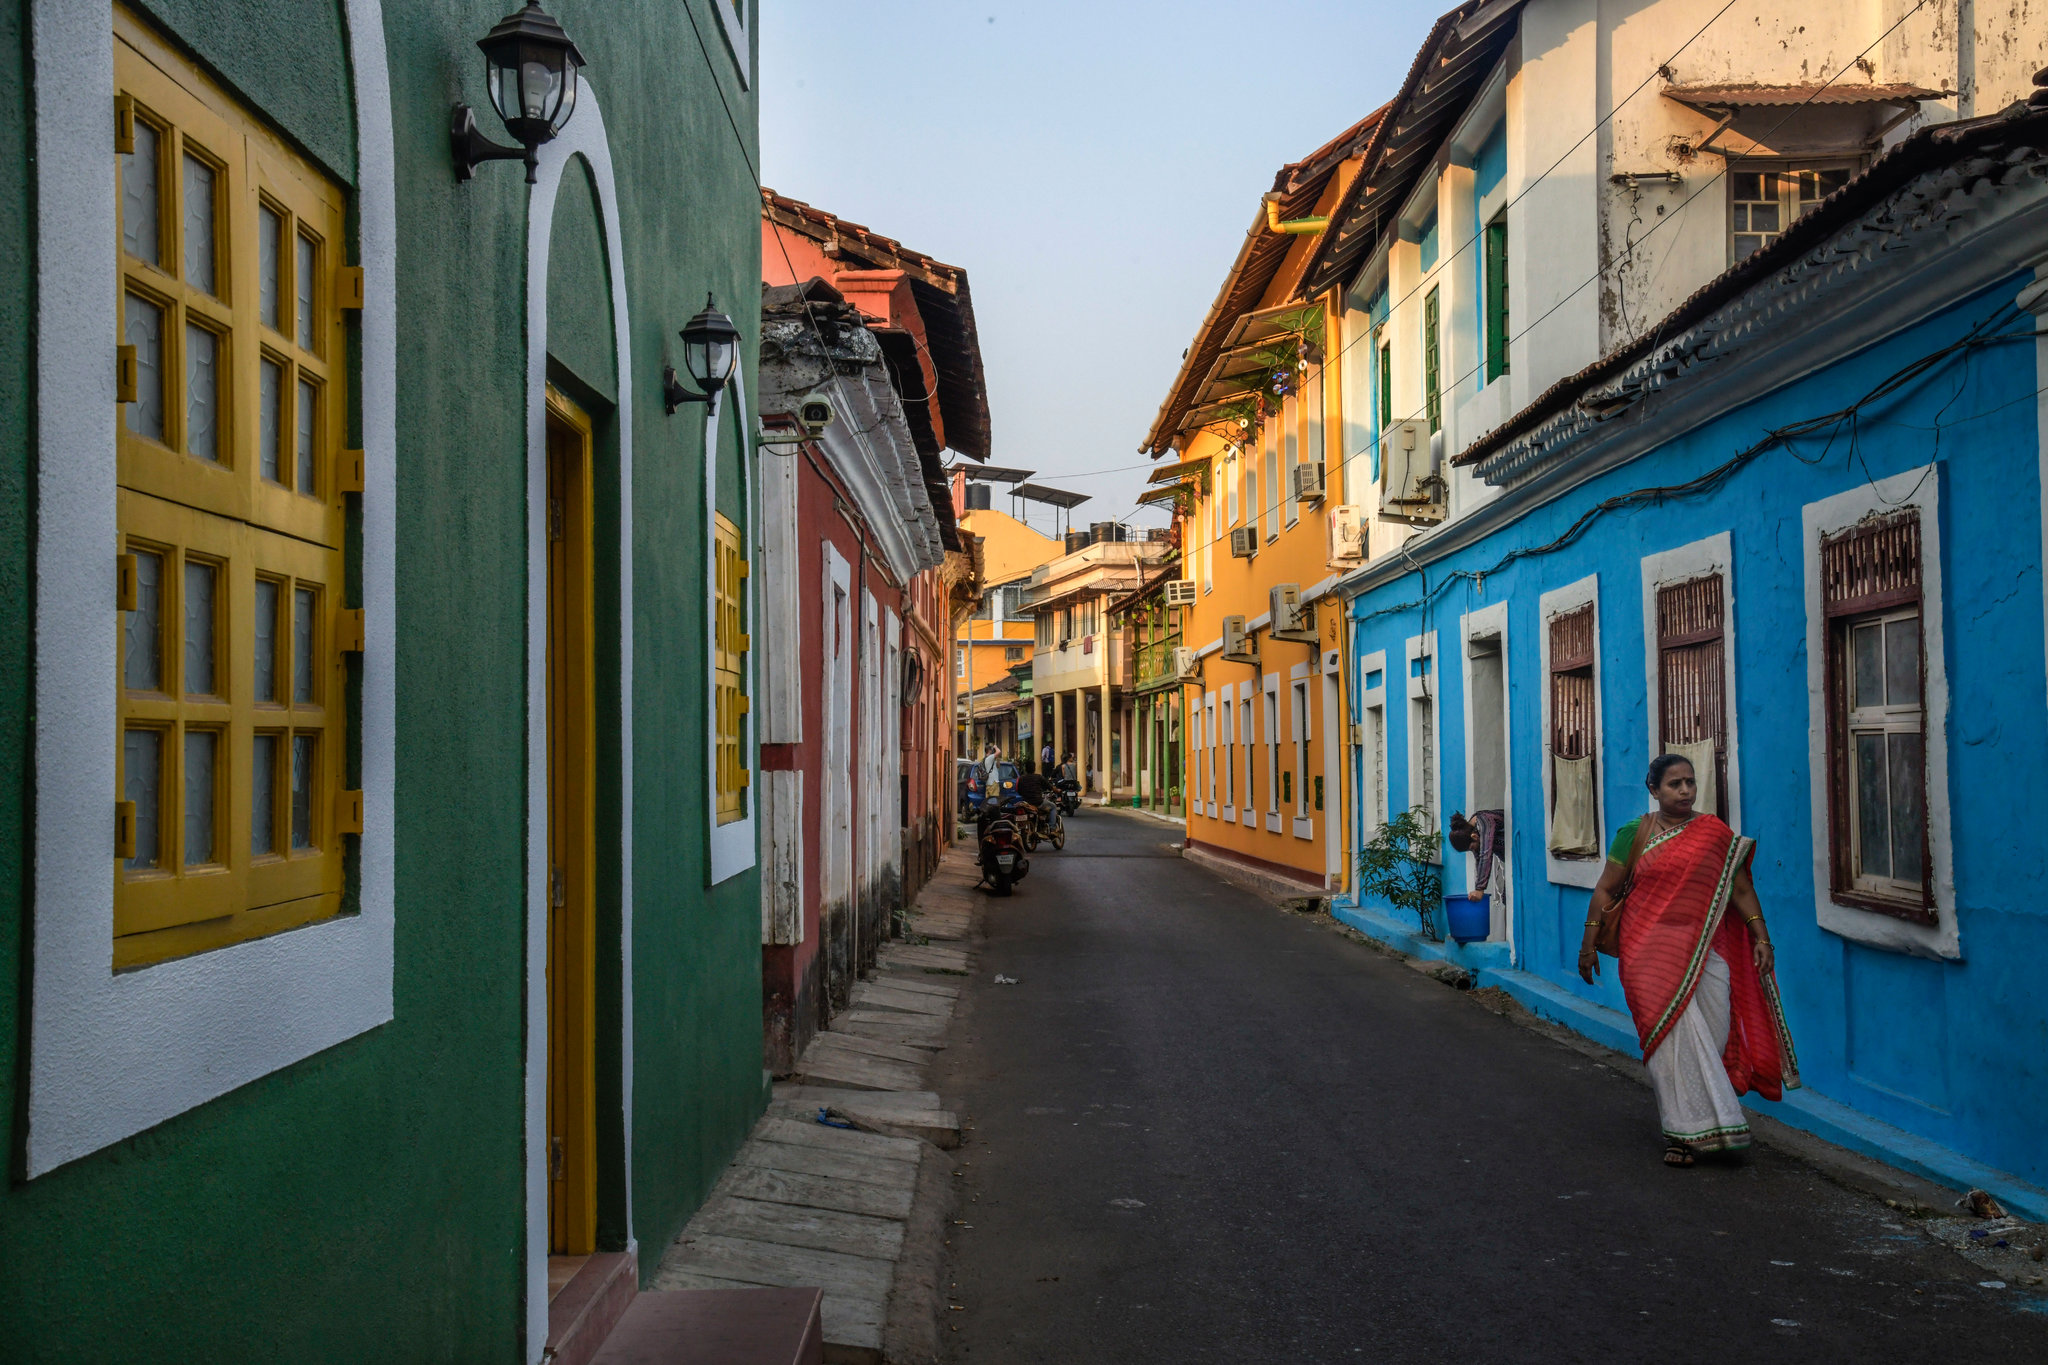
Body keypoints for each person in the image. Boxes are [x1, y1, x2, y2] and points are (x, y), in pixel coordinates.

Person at [1580, 754, 1799, 1167]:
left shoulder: (1713, 833)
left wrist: (1762, 937)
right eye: (1674, 784)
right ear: (1654, 790)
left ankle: (1706, 1118)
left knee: (1710, 1036)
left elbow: (1740, 890)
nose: (1684, 791)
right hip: (1646, 954)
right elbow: (1605, 890)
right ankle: (1681, 1135)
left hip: (1704, 953)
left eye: (1690, 783)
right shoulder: (1635, 834)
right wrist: (1588, 945)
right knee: (1670, 1043)